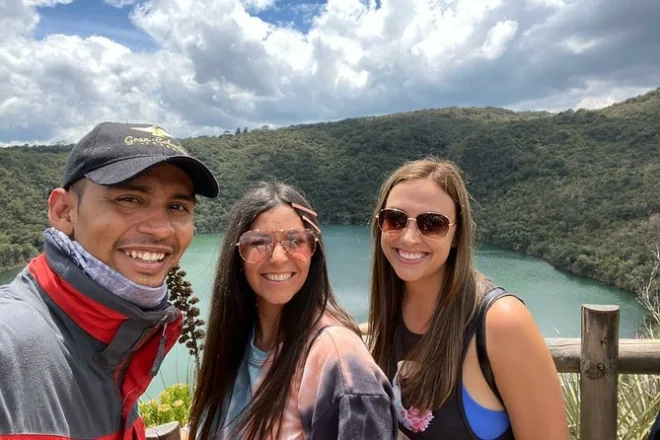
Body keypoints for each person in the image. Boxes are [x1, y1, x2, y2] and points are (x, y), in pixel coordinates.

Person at [0, 122, 219, 439]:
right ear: (64, 212)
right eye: (129, 199)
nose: (161, 229)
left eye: (177, 207)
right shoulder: (9, 345)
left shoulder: (119, 343)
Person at [366, 158, 568, 439]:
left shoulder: (502, 323)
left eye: (432, 224)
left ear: (456, 235)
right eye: (395, 219)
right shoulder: (391, 312)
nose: (409, 238)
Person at [188, 181, 398, 440]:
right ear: (238, 256)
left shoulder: (339, 363)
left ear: (313, 251)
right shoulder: (237, 342)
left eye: (295, 240)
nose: (278, 257)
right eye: (259, 242)